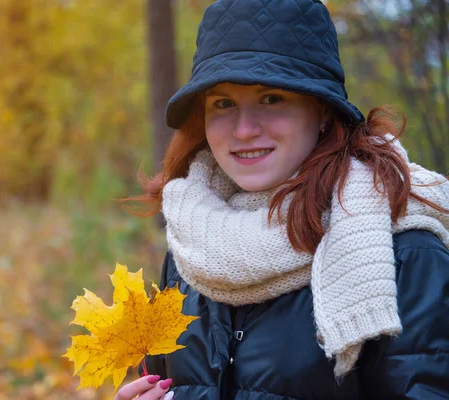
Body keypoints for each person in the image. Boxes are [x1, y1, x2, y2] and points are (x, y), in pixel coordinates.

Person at [116, 0, 449, 399]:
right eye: (223, 104)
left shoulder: (403, 253)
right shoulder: (189, 250)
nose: (243, 130)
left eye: (271, 98)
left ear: (323, 111)